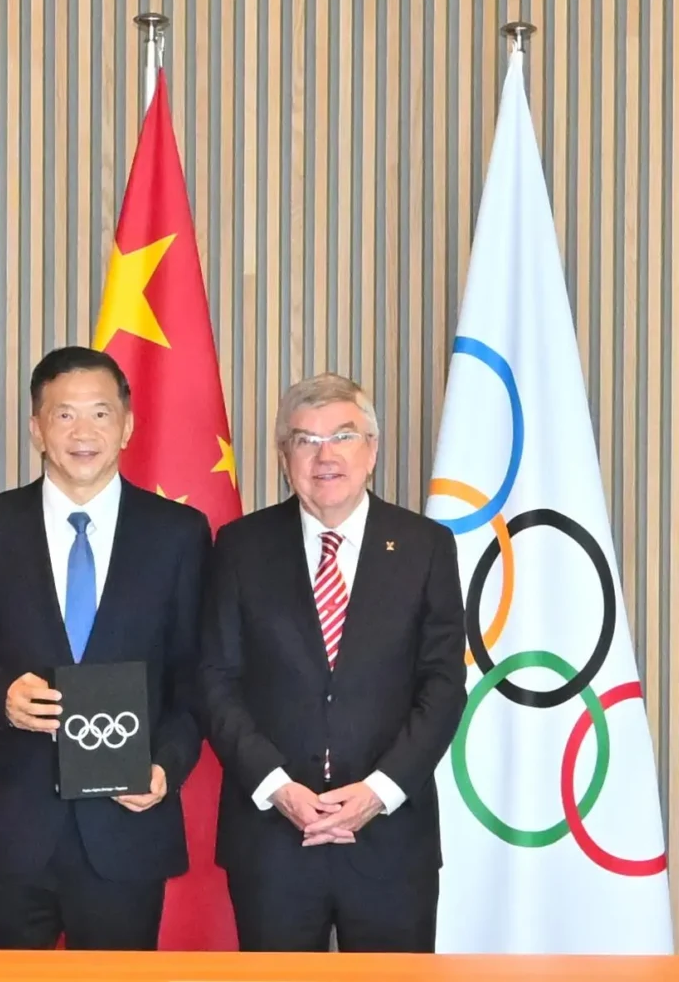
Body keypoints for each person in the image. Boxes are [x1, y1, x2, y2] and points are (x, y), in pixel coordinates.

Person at [0, 345, 213, 951]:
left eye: (100, 413)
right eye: (64, 415)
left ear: (128, 425)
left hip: (126, 826)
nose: (83, 432)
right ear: (37, 429)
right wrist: (0, 696)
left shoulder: (179, 534)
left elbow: (195, 675)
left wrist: (165, 767)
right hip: (13, 829)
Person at [198, 372, 467, 953]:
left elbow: (444, 684)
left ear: (372, 450)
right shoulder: (240, 547)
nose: (325, 456)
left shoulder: (425, 546)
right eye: (306, 440)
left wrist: (379, 790)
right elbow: (216, 680)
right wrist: (277, 787)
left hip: (391, 838)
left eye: (343, 436)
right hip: (272, 839)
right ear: (284, 458)